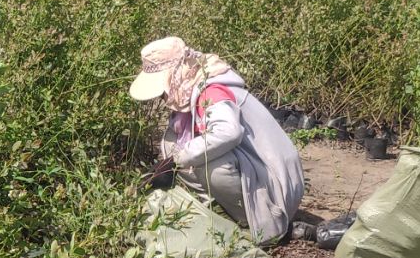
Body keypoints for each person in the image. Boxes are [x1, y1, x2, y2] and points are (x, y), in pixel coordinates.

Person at [129, 36, 304, 243]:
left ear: (176, 74)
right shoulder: (189, 92)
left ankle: (256, 223)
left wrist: (177, 160)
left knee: (211, 162)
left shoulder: (211, 91)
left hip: (276, 186)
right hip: (256, 173)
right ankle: (222, 208)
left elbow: (228, 132)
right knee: (175, 143)